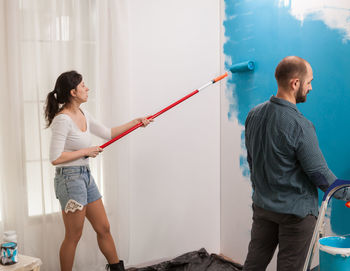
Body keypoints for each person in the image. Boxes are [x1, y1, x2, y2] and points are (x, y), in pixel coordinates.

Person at [243, 56, 350, 271]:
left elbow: (252, 161)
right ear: (295, 83)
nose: (310, 87)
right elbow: (321, 176)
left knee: (253, 265)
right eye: (309, 82)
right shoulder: (300, 126)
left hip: (263, 207)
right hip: (296, 216)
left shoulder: (253, 115)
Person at [44, 71, 152, 271]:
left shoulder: (83, 113)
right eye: (83, 85)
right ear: (73, 92)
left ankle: (117, 269)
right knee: (73, 236)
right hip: (69, 180)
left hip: (85, 176)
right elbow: (55, 158)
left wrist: (137, 121)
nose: (87, 88)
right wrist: (86, 151)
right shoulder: (63, 120)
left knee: (104, 228)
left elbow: (108, 133)